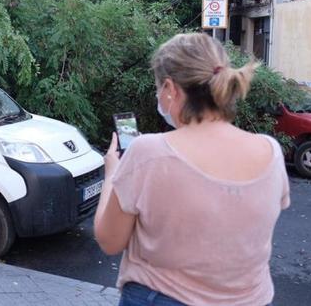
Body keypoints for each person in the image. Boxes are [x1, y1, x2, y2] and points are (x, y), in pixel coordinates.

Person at [93, 33, 290, 306]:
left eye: (159, 87)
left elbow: (110, 241)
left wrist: (113, 174)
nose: (159, 94)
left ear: (171, 89)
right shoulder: (270, 151)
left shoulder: (147, 152)